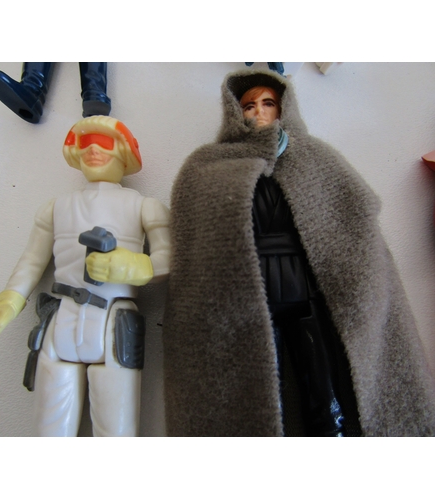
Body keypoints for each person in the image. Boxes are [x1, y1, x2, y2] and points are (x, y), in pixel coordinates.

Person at [163, 69, 435, 437]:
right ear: (234, 112)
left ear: (283, 107)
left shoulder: (315, 157)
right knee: (260, 395)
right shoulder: (208, 166)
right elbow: (194, 247)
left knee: (324, 389)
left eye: (268, 103)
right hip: (250, 299)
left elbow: (355, 216)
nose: (259, 112)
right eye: (248, 105)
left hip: (305, 291)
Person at [0, 115, 170, 437]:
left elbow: (169, 258)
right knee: (49, 430)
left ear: (124, 151)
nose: (92, 149)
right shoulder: (55, 208)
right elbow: (31, 262)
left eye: (103, 142)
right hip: (62, 318)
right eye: (84, 143)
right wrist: (6, 305)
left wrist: (135, 266)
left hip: (113, 321)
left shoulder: (145, 206)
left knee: (116, 431)